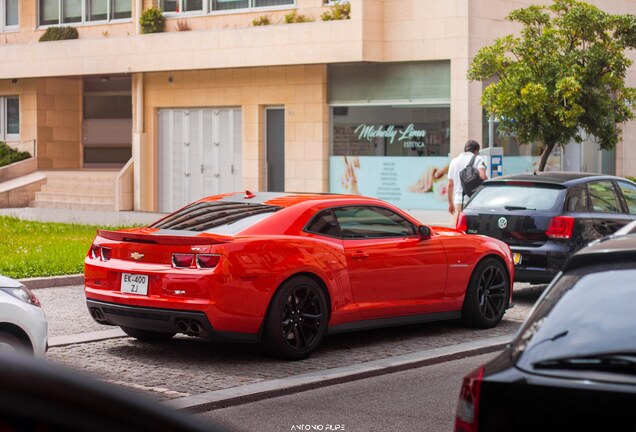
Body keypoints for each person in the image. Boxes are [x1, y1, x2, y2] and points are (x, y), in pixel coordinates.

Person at [447, 140, 488, 225]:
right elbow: (483, 176)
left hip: (459, 201)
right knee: (472, 230)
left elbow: (450, 184)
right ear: (476, 150)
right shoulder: (478, 159)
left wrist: (450, 203)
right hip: (474, 201)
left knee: (459, 229)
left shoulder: (454, 161)